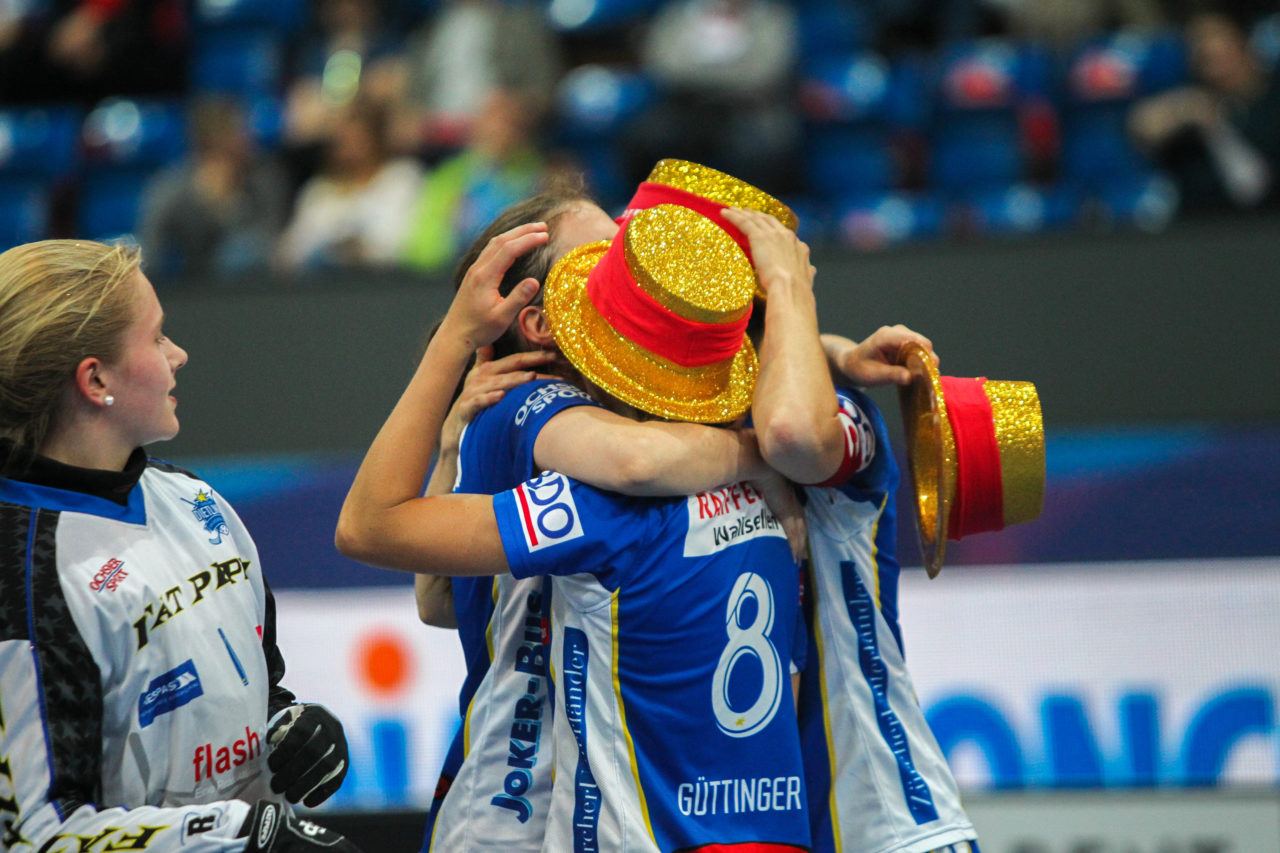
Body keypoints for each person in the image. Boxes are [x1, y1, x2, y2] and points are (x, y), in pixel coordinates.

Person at [337, 205, 814, 851]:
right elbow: (637, 461)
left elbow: (440, 600)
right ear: (537, 323)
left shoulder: (584, 414)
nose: (631, 271)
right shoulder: (529, 401)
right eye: (599, 264)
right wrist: (768, 455)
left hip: (581, 791)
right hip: (511, 803)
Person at [0, 240, 356, 853]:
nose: (180, 355)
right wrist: (243, 836)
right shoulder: (21, 577)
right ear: (95, 379)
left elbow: (263, 682)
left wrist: (292, 731)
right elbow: (36, 834)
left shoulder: (194, 499)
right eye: (158, 338)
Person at [730, 205, 979, 853]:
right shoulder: (652, 449)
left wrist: (797, 299)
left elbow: (794, 435)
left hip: (892, 827)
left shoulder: (844, 414)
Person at [1129, 8, 1280, 212]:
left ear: (1243, 45)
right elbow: (1143, 127)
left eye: (1221, 57)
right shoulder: (1191, 94)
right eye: (1205, 59)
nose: (1215, 69)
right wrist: (1184, 110)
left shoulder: (1271, 101)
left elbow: (1252, 187)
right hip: (1199, 229)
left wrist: (1217, 131)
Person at [139, 96, 291, 278]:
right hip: (196, 290)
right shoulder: (172, 186)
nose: (249, 137)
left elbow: (270, 246)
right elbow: (150, 251)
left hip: (256, 289)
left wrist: (227, 206)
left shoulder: (264, 177)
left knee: (240, 254)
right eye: (239, 131)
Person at [276, 100, 423, 272]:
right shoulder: (318, 191)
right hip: (324, 289)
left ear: (374, 138)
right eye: (341, 140)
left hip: (385, 285)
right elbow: (289, 252)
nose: (348, 147)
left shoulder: (402, 178)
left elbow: (405, 244)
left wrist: (358, 248)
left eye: (356, 138)